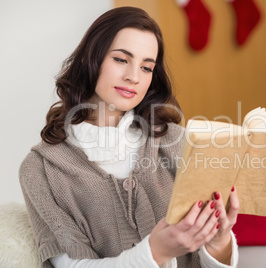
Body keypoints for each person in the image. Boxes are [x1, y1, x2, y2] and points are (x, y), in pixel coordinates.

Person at [19, 6, 239, 268]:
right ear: (92, 58)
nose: (133, 77)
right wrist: (155, 253)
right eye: (121, 60)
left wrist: (219, 242)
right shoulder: (41, 170)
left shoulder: (179, 142)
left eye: (146, 68)